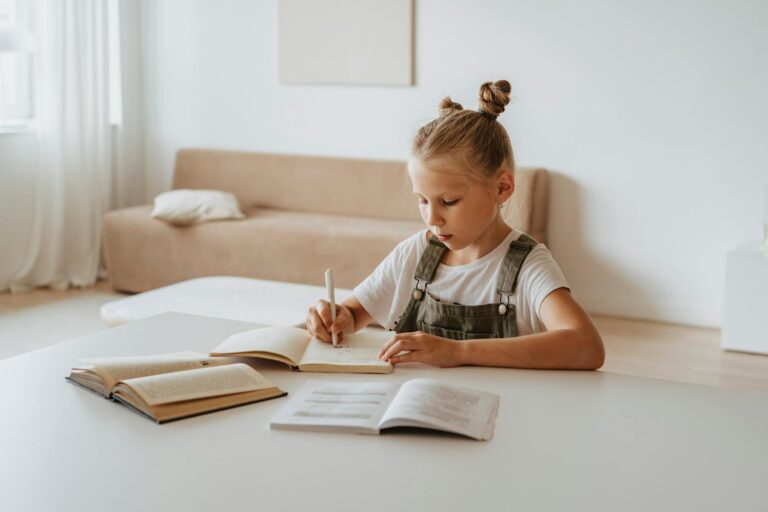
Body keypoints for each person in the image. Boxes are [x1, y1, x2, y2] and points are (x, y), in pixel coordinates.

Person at [306, 80, 604, 370]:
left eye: (448, 202)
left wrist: (458, 351)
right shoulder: (415, 253)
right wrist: (338, 316)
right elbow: (355, 312)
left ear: (502, 188)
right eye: (423, 200)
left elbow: (586, 346)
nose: (432, 219)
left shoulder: (528, 266)